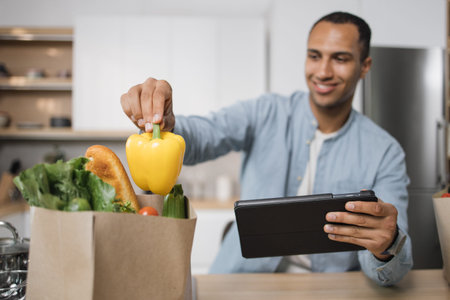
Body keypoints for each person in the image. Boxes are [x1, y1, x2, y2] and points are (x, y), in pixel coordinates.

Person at [120, 11, 413, 286]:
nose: (323, 71)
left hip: (327, 289)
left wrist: (386, 247)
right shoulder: (265, 112)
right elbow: (203, 136)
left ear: (364, 66)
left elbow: (394, 266)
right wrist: (167, 123)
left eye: (340, 58)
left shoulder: (385, 152)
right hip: (239, 283)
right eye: (314, 56)